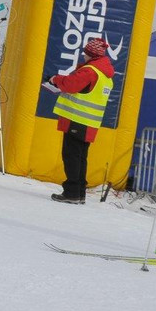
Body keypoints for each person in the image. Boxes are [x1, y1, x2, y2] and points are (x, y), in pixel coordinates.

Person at [48, 37, 114, 204]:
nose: (83, 56)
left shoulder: (90, 70)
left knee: (71, 156)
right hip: (90, 123)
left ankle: (71, 193)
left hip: (77, 120)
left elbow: (71, 85)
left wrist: (55, 79)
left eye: (85, 53)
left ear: (91, 55)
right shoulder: (105, 74)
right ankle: (79, 193)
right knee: (80, 157)